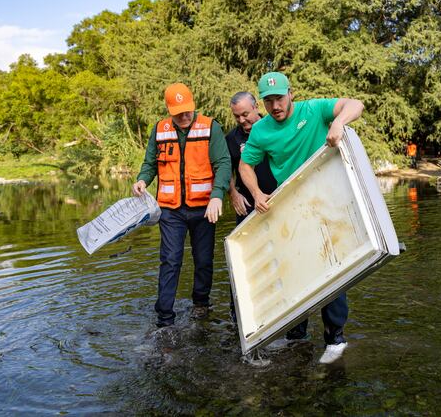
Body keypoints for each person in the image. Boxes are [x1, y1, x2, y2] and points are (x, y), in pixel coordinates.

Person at [239, 71, 363, 364]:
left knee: (331, 264)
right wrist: (256, 193)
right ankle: (298, 337)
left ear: (290, 93)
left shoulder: (314, 109)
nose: (275, 106)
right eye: (268, 101)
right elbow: (245, 166)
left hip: (327, 196)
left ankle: (335, 339)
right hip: (291, 204)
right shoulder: (261, 131)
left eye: (279, 98)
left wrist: (338, 121)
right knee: (294, 267)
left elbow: (355, 104)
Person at [132, 83, 231, 327]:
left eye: (187, 110)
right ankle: (165, 316)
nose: (184, 116)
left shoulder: (211, 127)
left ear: (193, 104)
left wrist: (217, 195)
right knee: (170, 259)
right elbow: (150, 164)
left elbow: (223, 163)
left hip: (204, 207)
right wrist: (142, 180)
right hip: (170, 209)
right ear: (169, 110)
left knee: (204, 259)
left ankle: (201, 304)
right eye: (178, 113)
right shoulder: (159, 129)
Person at [226, 92, 278, 225]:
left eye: (245, 114)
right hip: (248, 204)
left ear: (256, 107)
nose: (241, 120)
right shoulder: (231, 138)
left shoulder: (275, 127)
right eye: (236, 116)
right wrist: (233, 194)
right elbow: (225, 168)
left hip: (279, 195)